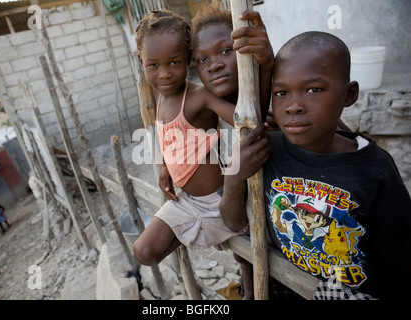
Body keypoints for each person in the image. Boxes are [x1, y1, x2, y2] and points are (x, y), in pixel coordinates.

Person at [219, 31, 411, 300]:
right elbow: (234, 222)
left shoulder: (374, 167)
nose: (294, 106)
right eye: (282, 93)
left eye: (314, 90)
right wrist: (233, 178)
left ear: (349, 94)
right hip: (287, 284)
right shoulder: (265, 150)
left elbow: (400, 253)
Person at [132, 9, 254, 280]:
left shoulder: (199, 97)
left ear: (187, 59)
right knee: (144, 251)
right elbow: (167, 135)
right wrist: (164, 165)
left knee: (247, 256)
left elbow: (244, 121)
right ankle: (199, 232)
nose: (164, 74)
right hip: (187, 200)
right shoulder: (159, 96)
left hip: (220, 200)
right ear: (141, 61)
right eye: (153, 65)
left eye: (173, 63)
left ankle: (243, 266)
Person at [190, 3, 273, 299]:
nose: (213, 64)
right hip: (249, 232)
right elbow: (233, 220)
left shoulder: (284, 100)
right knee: (248, 264)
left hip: (292, 238)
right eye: (202, 59)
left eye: (227, 50)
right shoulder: (212, 118)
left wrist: (267, 64)